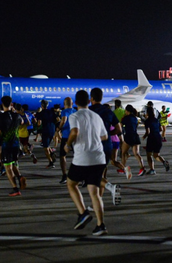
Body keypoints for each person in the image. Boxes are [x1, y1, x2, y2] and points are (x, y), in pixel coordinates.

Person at [64, 90, 109, 236]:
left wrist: (68, 144)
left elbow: (74, 132)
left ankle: (83, 213)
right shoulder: (96, 116)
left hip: (83, 158)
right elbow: (104, 136)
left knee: (71, 183)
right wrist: (92, 137)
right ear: (89, 101)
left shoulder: (74, 116)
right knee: (95, 193)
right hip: (98, 158)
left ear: (75, 103)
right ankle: (100, 225)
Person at [89, 88, 129, 205]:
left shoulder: (89, 111)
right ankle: (97, 203)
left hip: (93, 146)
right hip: (107, 146)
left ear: (91, 98)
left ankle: (110, 187)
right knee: (101, 173)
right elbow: (118, 129)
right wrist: (107, 134)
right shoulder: (108, 112)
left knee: (92, 176)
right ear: (101, 98)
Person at [0, 96, 27, 196]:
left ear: (2, 104)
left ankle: (15, 189)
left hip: (7, 144)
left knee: (8, 167)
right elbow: (22, 122)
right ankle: (20, 177)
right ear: (11, 104)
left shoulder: (0, 117)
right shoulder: (17, 116)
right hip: (16, 144)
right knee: (14, 163)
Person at [142, 106, 169, 175]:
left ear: (147, 113)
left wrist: (144, 136)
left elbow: (148, 132)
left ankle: (152, 169)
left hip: (151, 138)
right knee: (156, 155)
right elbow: (161, 129)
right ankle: (164, 162)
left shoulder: (147, 121)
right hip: (158, 138)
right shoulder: (156, 120)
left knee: (149, 155)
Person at [121, 105, 145, 176]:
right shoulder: (135, 118)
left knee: (123, 153)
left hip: (128, 136)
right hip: (135, 136)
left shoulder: (125, 118)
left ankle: (123, 167)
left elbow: (120, 125)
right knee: (136, 154)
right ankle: (142, 168)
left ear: (127, 111)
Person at [58, 97, 76, 184]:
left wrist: (59, 128)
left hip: (66, 136)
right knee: (77, 156)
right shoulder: (75, 111)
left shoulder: (64, 111)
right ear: (72, 104)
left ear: (64, 104)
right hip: (75, 136)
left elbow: (64, 120)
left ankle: (64, 175)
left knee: (62, 156)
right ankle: (80, 175)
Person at [36, 100, 57, 168]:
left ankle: (51, 162)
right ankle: (52, 153)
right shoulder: (52, 112)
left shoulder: (41, 113)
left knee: (45, 148)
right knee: (47, 145)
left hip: (45, 130)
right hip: (52, 130)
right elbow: (57, 119)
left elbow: (39, 123)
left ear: (41, 105)